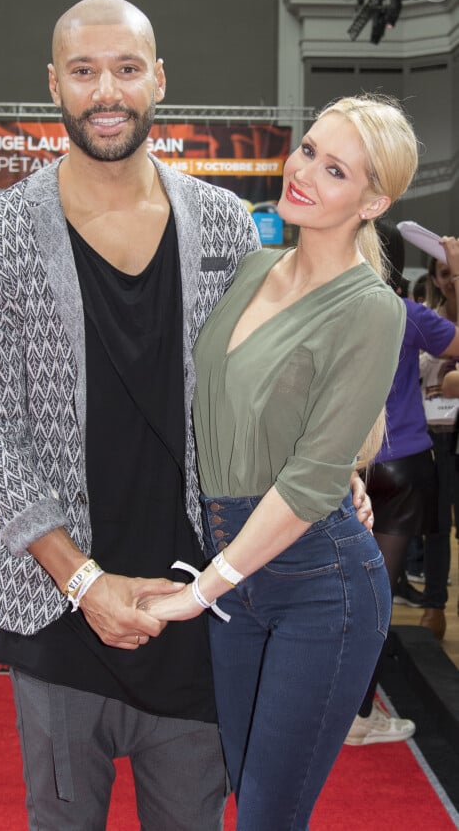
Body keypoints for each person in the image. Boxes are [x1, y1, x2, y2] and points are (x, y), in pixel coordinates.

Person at [0, 0, 372, 830]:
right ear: (54, 86)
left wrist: (329, 473)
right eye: (84, 70)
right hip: (59, 613)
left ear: (159, 80)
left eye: (127, 68)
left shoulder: (220, 222)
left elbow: (268, 376)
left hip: (201, 605)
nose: (107, 90)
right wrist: (84, 580)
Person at [142, 94, 417, 830]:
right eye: (308, 150)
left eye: (335, 170)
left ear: (373, 200)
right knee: (242, 784)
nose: (304, 173)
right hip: (238, 568)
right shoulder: (252, 267)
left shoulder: (371, 307)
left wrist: (200, 592)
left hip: (319, 584)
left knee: (268, 814)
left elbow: (308, 479)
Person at [345, 221, 459, 746]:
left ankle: (331, 704)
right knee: (374, 597)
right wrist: (456, 276)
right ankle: (358, 715)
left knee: (337, 592)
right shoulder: (405, 312)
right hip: (403, 468)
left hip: (340, 468)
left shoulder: (330, 306)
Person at [416, 251, 459, 637]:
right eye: (444, 274)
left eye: (455, 274)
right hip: (432, 436)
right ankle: (433, 608)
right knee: (434, 528)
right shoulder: (427, 319)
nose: (450, 281)